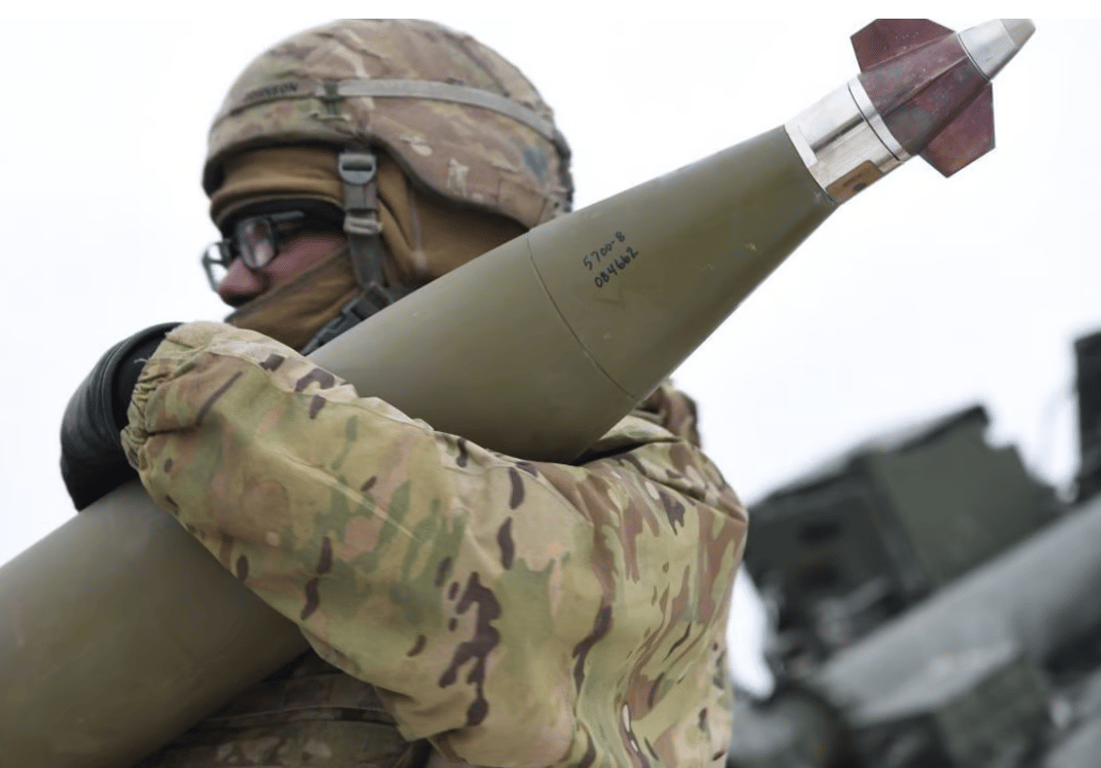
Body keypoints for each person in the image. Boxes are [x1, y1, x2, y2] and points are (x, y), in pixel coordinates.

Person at [59, 19, 747, 768]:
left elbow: (482, 585)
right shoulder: (232, 498)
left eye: (267, 230)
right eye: (228, 245)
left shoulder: (660, 493)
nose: (233, 281)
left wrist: (170, 388)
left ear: (424, 229)